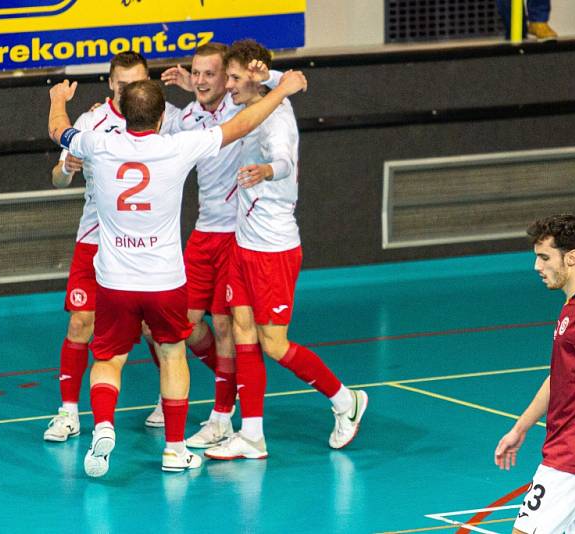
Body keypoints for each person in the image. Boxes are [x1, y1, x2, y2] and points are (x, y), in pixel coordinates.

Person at [47, 69, 308, 476]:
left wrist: (58, 100)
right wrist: (284, 90)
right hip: (165, 282)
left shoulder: (97, 143)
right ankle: (173, 450)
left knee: (109, 358)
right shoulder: (177, 147)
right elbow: (242, 123)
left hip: (114, 281)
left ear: (123, 113)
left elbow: (58, 130)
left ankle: (102, 426)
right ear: (158, 120)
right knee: (171, 355)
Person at [203, 39, 368, 461]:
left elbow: (287, 162)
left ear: (253, 79)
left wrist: (266, 170)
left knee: (274, 344)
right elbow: (277, 81)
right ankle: (252, 435)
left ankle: (345, 400)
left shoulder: (276, 117)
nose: (229, 85)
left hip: (273, 250)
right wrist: (267, 77)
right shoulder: (256, 99)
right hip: (242, 244)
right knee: (243, 333)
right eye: (231, 76)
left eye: (236, 78)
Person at [141, 44, 281, 452]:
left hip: (236, 234)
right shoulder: (187, 117)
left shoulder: (241, 108)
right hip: (203, 234)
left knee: (224, 327)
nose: (200, 80)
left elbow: (265, 92)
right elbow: (145, 132)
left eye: (210, 74)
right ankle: (230, 387)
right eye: (195, 73)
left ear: (228, 78)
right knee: (173, 325)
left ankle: (221, 415)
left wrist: (262, 75)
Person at [44, 51, 176, 442]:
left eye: (136, 83)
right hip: (95, 240)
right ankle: (68, 412)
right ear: (110, 84)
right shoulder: (91, 122)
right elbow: (57, 179)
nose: (129, 90)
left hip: (145, 246)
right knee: (80, 323)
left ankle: (165, 401)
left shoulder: (163, 122)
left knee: (157, 331)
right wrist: (65, 169)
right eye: (122, 84)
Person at [494, 214, 575, 532]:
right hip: (574, 455)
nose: (537, 266)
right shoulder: (572, 307)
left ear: (573, 257)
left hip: (572, 458)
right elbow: (559, 378)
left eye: (544, 257)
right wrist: (520, 429)